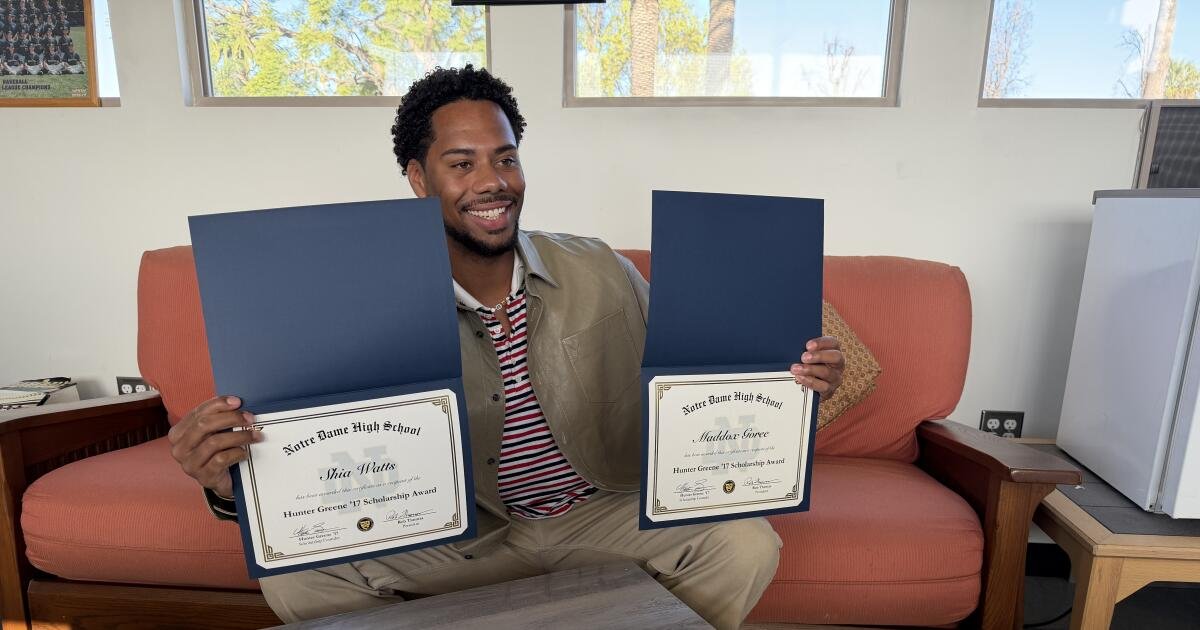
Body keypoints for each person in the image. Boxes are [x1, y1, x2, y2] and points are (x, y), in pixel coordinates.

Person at [168, 65, 845, 630]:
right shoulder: (357, 303)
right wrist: (228, 485)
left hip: (596, 514)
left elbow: (700, 375)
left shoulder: (601, 268)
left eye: (506, 158)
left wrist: (794, 380)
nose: (491, 181)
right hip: (461, 539)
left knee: (744, 542)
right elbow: (313, 450)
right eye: (461, 164)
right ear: (418, 178)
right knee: (295, 579)